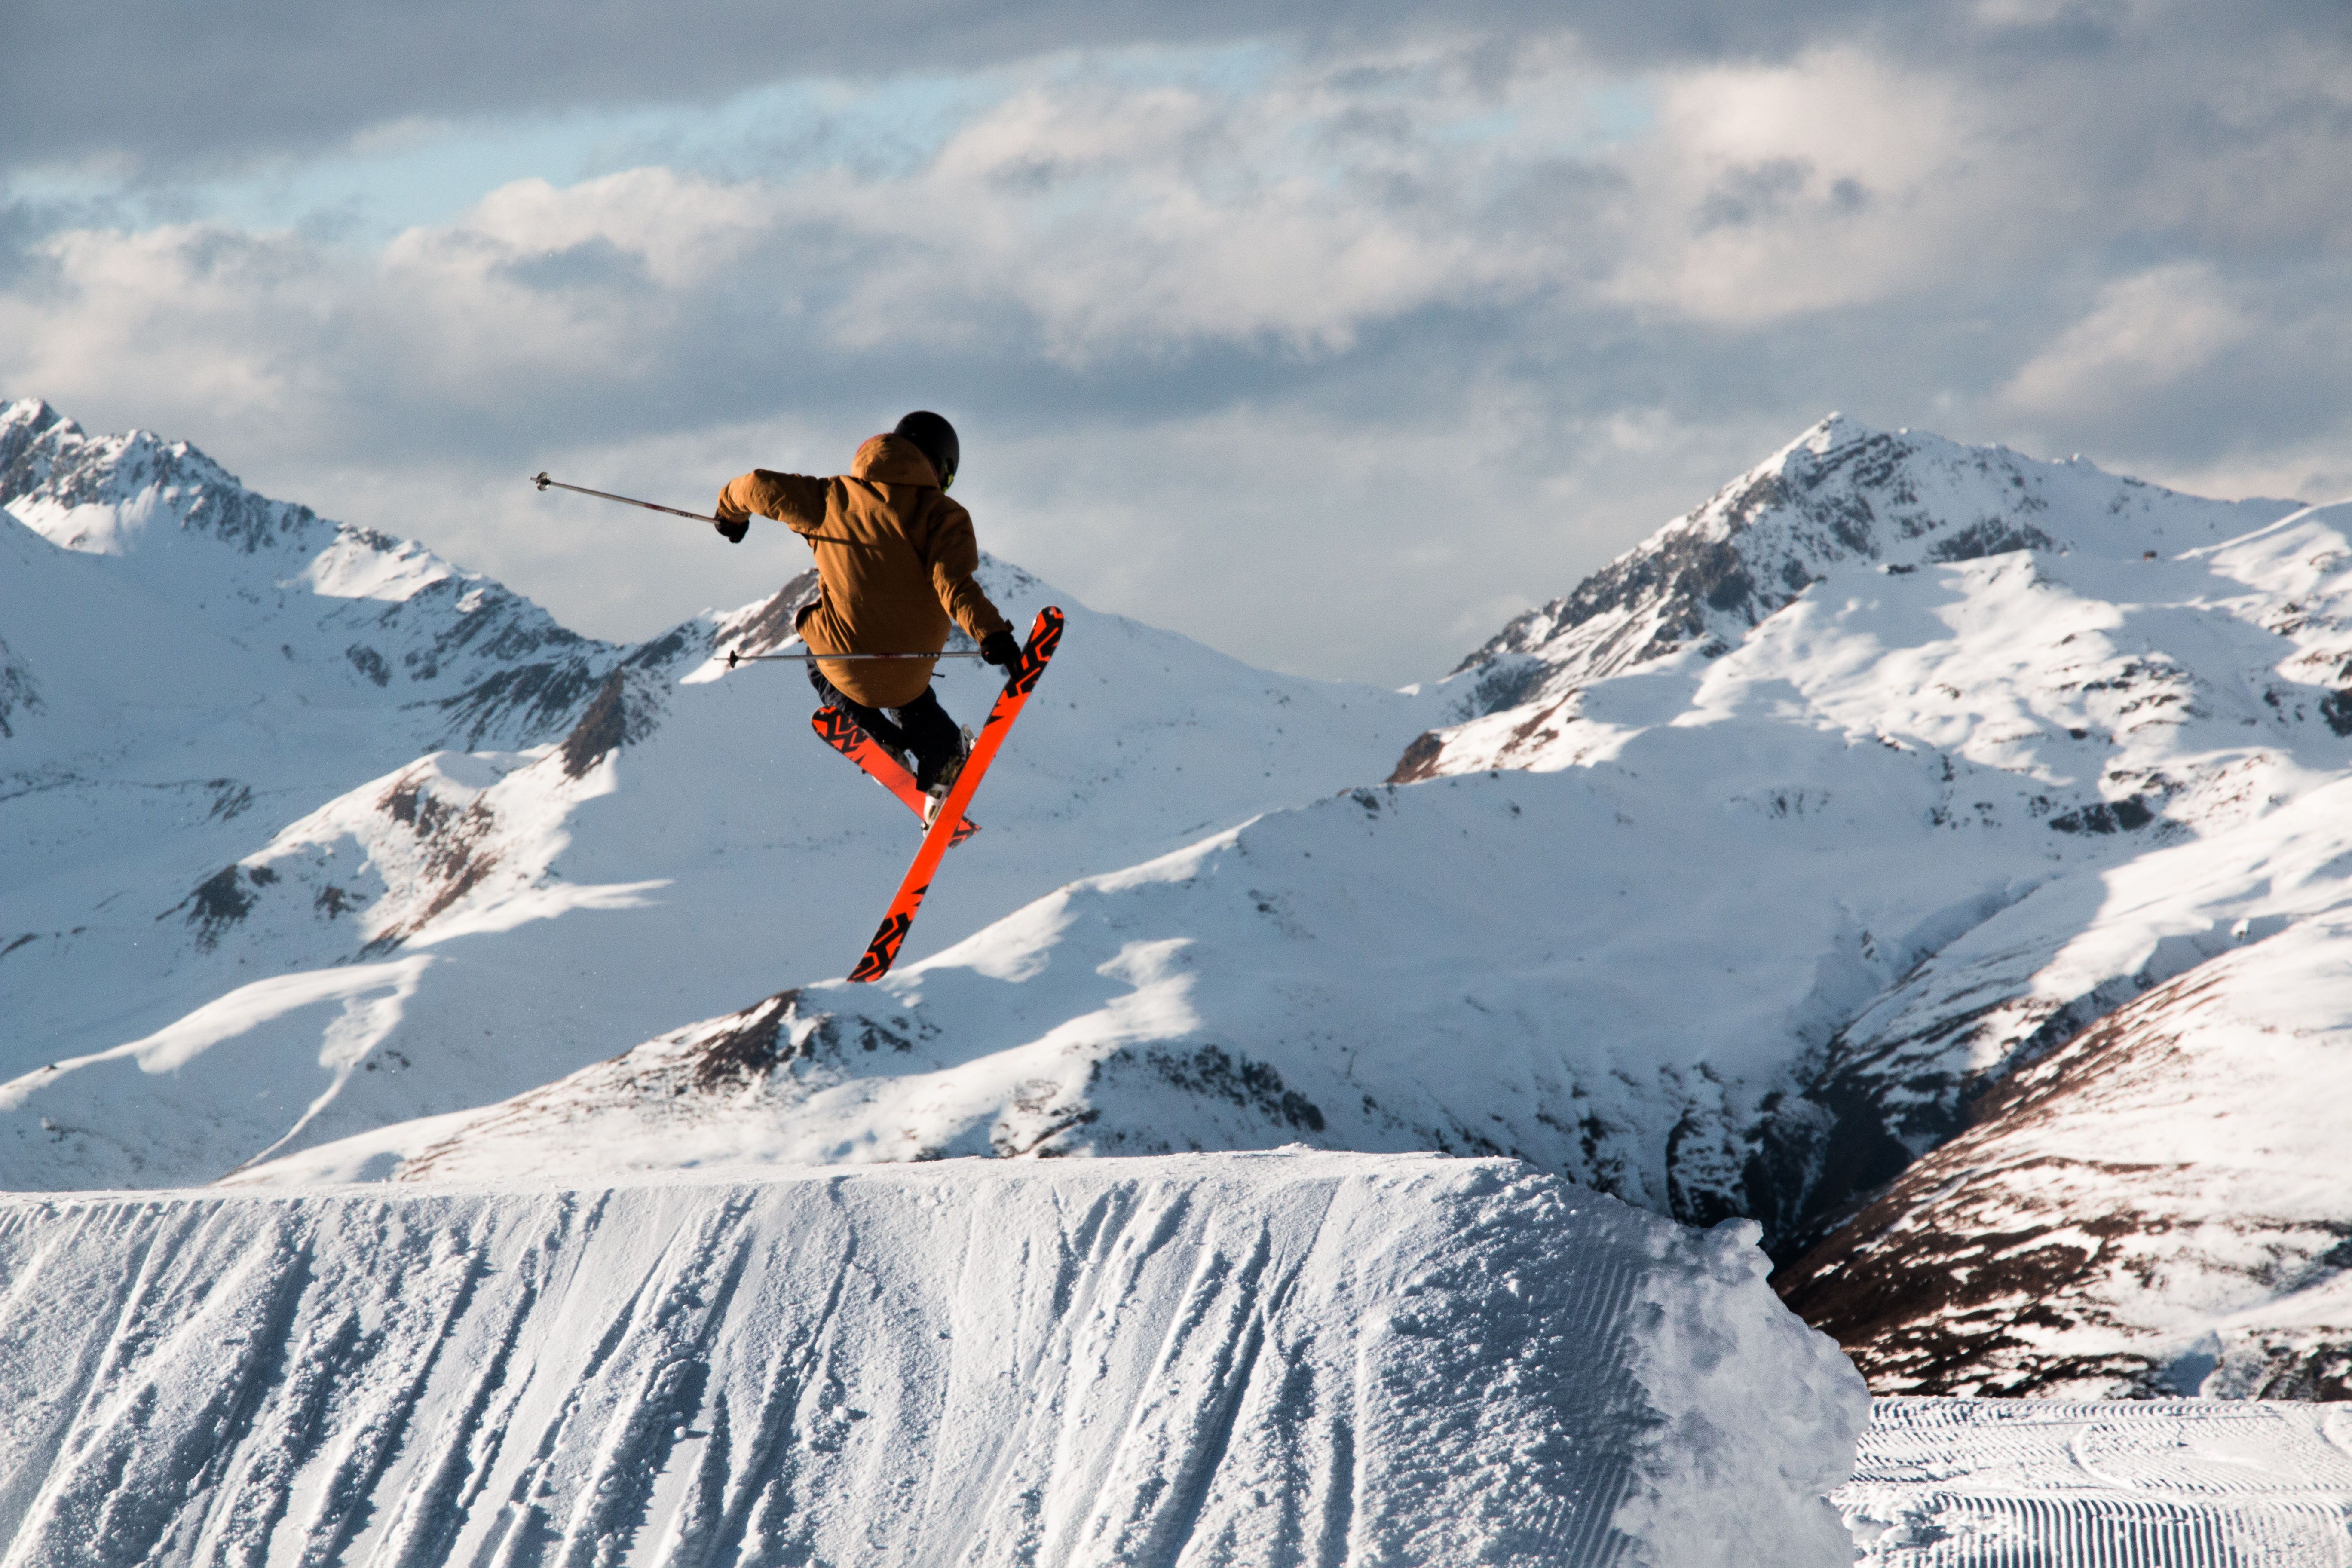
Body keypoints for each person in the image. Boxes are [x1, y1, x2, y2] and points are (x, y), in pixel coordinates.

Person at [713, 412, 1021, 819]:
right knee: (907, 689)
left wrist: (729, 514)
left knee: (818, 656)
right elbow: (954, 585)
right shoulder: (943, 515)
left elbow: (755, 487)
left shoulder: (830, 497)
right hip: (911, 669)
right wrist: (993, 635)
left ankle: (876, 737)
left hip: (846, 664)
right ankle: (944, 756)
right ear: (942, 469)